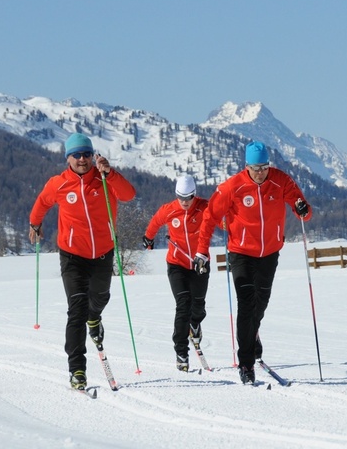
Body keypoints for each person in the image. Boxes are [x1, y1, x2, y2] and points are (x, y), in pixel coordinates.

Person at [194, 140, 312, 385]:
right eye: (256, 168)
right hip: (241, 253)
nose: (261, 173)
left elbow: (303, 210)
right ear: (246, 166)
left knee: (260, 304)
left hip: (270, 252)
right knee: (246, 305)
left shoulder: (281, 181)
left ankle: (252, 333)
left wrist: (302, 208)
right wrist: (201, 252)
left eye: (264, 167)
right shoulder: (232, 187)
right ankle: (246, 364)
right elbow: (209, 217)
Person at [28, 132, 136, 391]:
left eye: (87, 154)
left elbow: (128, 194)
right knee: (75, 310)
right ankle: (77, 369)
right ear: (68, 158)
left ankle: (95, 317)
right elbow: (42, 202)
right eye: (76, 155)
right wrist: (35, 223)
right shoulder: (59, 184)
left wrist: (110, 173)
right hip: (72, 255)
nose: (82, 159)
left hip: (102, 253)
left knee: (99, 298)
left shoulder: (104, 180)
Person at [142, 174, 211, 372]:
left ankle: (195, 323)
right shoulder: (169, 210)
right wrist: (148, 238)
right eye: (181, 197)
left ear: (194, 195)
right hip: (177, 264)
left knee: (198, 306)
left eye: (188, 197)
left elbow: (221, 219)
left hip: (200, 263)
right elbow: (155, 223)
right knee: (183, 305)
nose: (184, 202)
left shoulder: (204, 207)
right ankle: (181, 351)